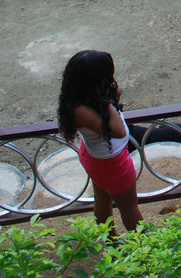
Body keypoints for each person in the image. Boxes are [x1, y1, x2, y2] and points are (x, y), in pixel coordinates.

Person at [57, 50, 143, 234]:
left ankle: (110, 244)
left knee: (102, 199)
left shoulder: (78, 98)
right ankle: (146, 248)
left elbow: (117, 92)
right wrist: (106, 99)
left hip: (98, 157)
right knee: (129, 207)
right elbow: (119, 131)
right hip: (111, 164)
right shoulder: (81, 109)